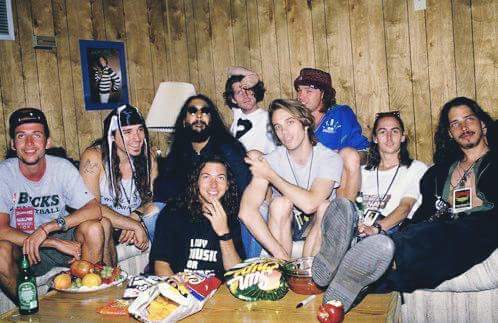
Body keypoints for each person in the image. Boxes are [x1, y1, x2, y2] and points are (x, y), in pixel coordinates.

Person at [311, 97, 497, 312]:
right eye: (455, 124)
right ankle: (355, 279)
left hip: (482, 226)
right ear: (449, 133)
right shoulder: (437, 173)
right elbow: (421, 216)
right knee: (417, 241)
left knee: (441, 233)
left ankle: (358, 260)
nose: (463, 127)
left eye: (469, 119)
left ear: (483, 124)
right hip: (438, 231)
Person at [0, 108, 105, 302]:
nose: (29, 143)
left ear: (47, 142)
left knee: (94, 228)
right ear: (13, 144)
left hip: (62, 238)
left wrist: (49, 228)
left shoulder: (61, 167)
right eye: (22, 136)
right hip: (23, 247)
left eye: (36, 135)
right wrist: (49, 240)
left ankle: (85, 303)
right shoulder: (4, 174)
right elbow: (1, 229)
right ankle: (31, 310)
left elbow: (95, 209)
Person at [239, 99, 343, 260]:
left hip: (318, 226)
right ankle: (282, 270)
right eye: (278, 127)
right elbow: (246, 212)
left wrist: (271, 175)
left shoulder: (329, 158)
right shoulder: (271, 160)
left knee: (325, 206)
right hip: (286, 226)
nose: (284, 132)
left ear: (305, 122)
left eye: (290, 122)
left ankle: (310, 274)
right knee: (280, 204)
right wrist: (280, 254)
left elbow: (310, 205)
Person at [79, 105, 157, 265]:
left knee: (161, 209)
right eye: (127, 132)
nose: (137, 138)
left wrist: (136, 216)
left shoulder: (148, 156)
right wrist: (132, 224)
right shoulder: (94, 157)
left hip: (134, 219)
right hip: (104, 224)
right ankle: (111, 282)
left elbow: (153, 197)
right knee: (102, 224)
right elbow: (91, 208)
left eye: (140, 130)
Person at [150, 156, 245, 280]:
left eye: (220, 178)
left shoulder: (231, 217)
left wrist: (224, 233)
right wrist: (181, 295)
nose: (213, 185)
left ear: (227, 185)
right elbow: (161, 265)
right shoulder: (172, 212)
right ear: (196, 181)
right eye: (206, 177)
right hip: (180, 289)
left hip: (218, 294)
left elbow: (237, 275)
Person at [154, 94, 251, 204]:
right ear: (184, 121)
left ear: (212, 120)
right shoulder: (179, 152)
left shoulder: (229, 150)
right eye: (193, 111)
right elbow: (165, 190)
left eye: (204, 111)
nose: (199, 116)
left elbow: (244, 192)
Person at [295, 68, 369, 201]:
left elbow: (364, 151)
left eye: (308, 91)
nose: (301, 96)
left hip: (336, 183)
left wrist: (336, 157)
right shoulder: (294, 118)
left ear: (323, 94)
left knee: (348, 154)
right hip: (305, 180)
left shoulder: (340, 114)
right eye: (299, 90)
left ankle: (345, 213)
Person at [357, 111, 427, 236]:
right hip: (361, 231)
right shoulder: (363, 172)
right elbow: (354, 205)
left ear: (403, 137)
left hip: (395, 232)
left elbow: (405, 207)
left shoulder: (416, 168)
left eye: (394, 131)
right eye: (383, 132)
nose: (389, 137)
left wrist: (376, 229)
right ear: (375, 138)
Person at [224, 67, 276, 154]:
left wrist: (254, 78)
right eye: (239, 92)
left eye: (247, 89)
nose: (245, 96)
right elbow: (229, 70)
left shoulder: (269, 118)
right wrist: (251, 74)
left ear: (254, 91)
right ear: (233, 99)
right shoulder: (238, 113)